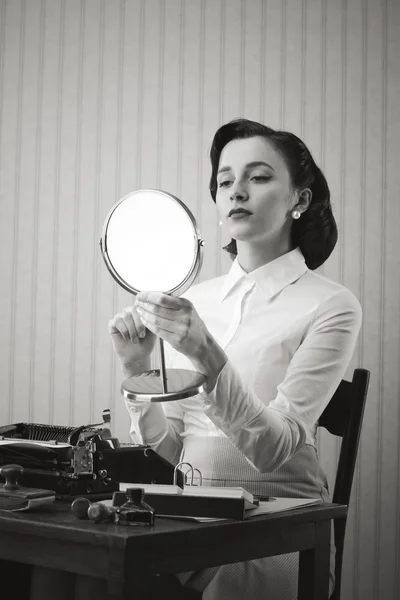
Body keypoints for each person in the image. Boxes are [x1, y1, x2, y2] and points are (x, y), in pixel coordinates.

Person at [109, 118, 362, 600]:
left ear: (299, 200)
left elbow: (275, 447)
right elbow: (172, 453)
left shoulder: (332, 305)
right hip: (187, 521)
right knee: (82, 566)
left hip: (280, 529)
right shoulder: (196, 302)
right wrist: (137, 370)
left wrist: (204, 350)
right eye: (225, 181)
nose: (236, 191)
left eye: (259, 177)